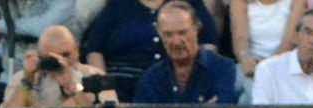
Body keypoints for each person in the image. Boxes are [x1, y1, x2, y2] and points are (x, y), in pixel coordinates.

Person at [128, 1, 239, 108]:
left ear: (197, 28)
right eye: (168, 34)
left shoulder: (222, 68)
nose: (176, 41)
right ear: (159, 34)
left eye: (183, 32)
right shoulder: (151, 77)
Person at [0, 25, 117, 108]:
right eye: (51, 57)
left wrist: (74, 87)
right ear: (39, 56)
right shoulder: (23, 79)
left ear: (77, 50)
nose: (60, 61)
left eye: (65, 55)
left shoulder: (94, 76)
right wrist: (27, 82)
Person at [83, 0, 220, 101]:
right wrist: (104, 89)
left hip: (172, 86)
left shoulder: (188, 3)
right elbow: (95, 49)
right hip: (122, 88)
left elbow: (209, 42)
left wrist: (196, 79)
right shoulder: (118, 5)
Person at [230, 0, 296, 96]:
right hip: (250, 64)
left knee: (245, 100)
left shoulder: (296, 2)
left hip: (283, 64)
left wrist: (266, 66)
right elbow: (240, 41)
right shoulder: (239, 2)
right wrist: (245, 59)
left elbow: (288, 43)